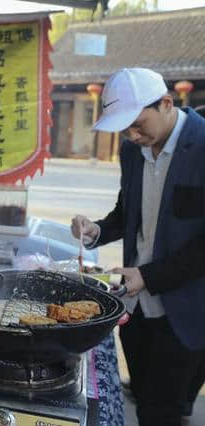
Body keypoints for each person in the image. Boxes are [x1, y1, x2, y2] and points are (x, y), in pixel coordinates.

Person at [70, 68, 205, 426]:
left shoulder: (203, 145)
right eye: (124, 128)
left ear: (165, 103)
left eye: (138, 124)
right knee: (147, 397)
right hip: (137, 307)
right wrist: (96, 230)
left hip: (188, 311)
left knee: (160, 412)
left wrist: (148, 275)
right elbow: (128, 212)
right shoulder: (132, 152)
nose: (132, 135)